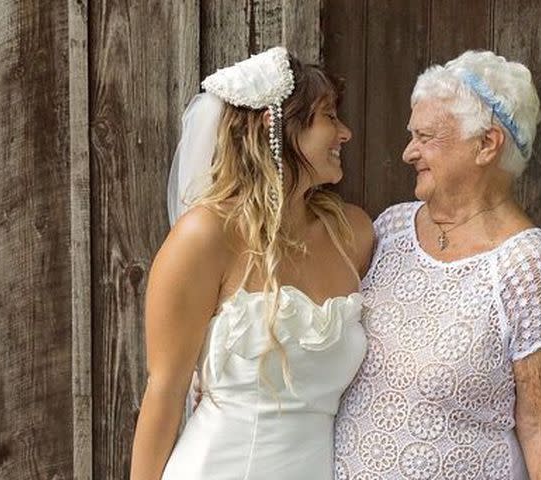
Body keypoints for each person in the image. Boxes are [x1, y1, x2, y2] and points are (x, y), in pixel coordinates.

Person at [129, 46, 374, 480]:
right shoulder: (205, 236)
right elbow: (165, 391)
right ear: (275, 126)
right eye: (328, 116)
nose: (346, 132)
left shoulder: (352, 234)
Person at [334, 50, 541, 479]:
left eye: (426, 137)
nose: (409, 152)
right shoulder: (389, 229)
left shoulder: (525, 264)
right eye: (412, 136)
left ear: (486, 144)